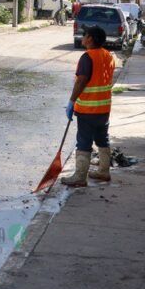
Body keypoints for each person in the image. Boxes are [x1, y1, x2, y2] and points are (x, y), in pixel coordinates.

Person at [61, 25, 116, 187]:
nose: (82, 37)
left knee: (83, 142)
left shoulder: (88, 57)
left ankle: (79, 177)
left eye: (84, 35)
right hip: (104, 108)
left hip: (88, 109)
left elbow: (81, 80)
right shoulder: (109, 56)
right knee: (102, 139)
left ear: (90, 38)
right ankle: (104, 171)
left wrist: (71, 101)